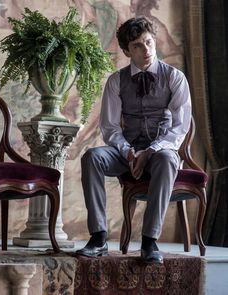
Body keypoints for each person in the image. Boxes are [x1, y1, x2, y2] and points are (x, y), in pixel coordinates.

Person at [76, 16, 191, 264]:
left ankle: (150, 242)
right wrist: (128, 151)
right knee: (91, 157)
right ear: (127, 50)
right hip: (125, 151)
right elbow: (109, 128)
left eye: (148, 42)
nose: (146, 50)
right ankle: (98, 237)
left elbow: (180, 128)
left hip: (160, 151)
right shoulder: (116, 81)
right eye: (138, 45)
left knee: (168, 159)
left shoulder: (175, 77)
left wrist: (150, 151)